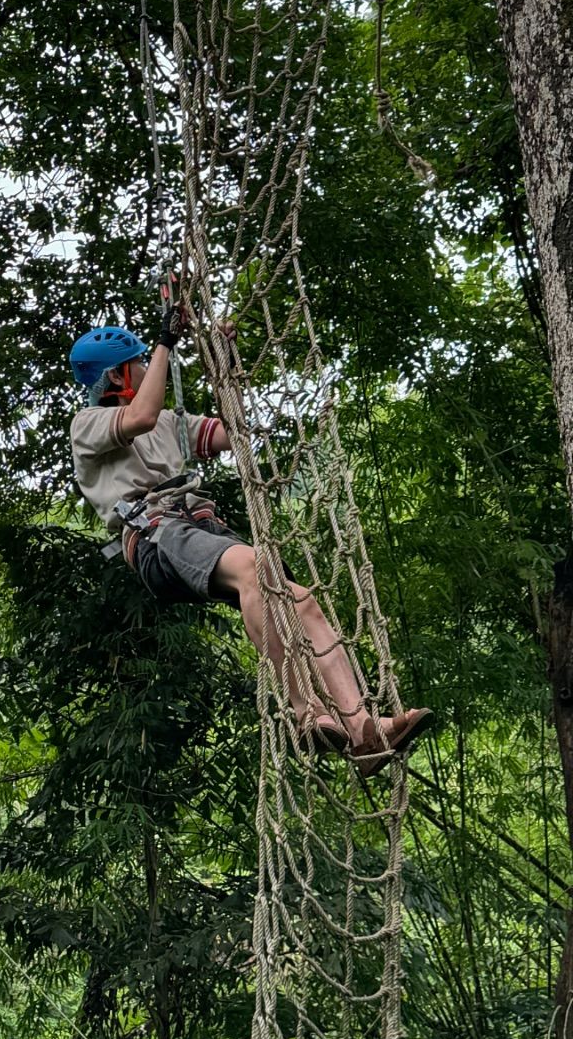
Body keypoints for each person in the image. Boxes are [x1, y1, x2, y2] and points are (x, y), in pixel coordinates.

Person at [69, 305, 433, 776]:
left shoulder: (168, 422)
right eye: (137, 362)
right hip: (155, 534)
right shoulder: (89, 423)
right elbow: (139, 416)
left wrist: (225, 367)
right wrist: (165, 340)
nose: (147, 367)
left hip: (196, 525)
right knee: (257, 568)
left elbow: (234, 433)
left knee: (298, 598)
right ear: (116, 377)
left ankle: (362, 727)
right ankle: (307, 713)